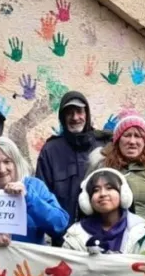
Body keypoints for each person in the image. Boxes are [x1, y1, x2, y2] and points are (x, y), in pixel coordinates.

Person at [35, 91, 110, 240]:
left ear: (87, 114)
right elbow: (41, 197)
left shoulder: (105, 146)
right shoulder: (51, 150)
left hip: (102, 236)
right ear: (62, 118)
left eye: (79, 112)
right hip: (62, 239)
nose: (75, 118)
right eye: (69, 113)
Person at [87, 110, 145, 227]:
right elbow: (88, 201)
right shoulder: (102, 164)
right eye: (127, 135)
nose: (132, 142)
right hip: (113, 232)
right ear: (118, 140)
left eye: (138, 136)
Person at [62, 169, 145, 255]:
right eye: (96, 190)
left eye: (109, 188)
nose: (103, 194)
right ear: (87, 200)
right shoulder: (75, 234)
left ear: (123, 194)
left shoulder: (141, 230)